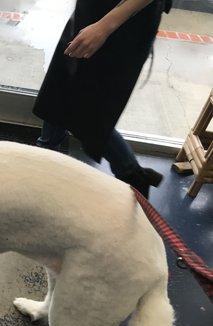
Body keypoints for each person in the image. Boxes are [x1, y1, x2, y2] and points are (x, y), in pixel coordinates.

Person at [33, 0, 172, 198]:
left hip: (119, 23)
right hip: (93, 13)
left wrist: (104, 27)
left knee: (90, 108)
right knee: (61, 88)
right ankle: (45, 152)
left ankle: (133, 174)